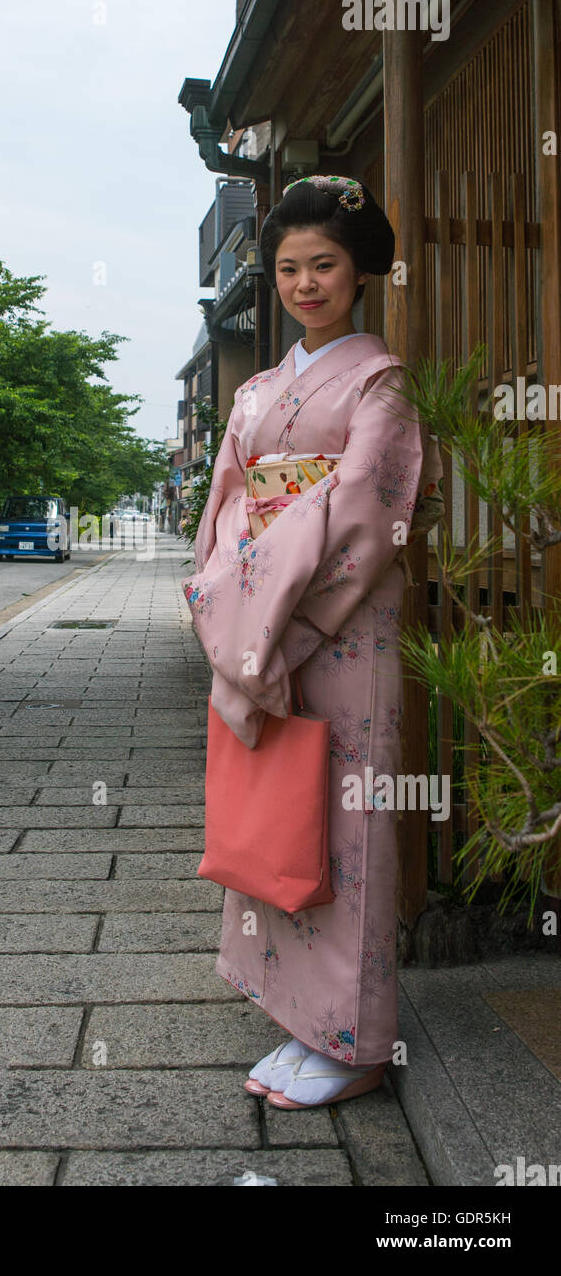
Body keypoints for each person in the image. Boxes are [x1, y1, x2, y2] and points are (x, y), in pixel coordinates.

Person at [183, 174, 435, 1110]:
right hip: (258, 624)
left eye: (323, 264)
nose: (303, 283)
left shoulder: (381, 383)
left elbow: (368, 510)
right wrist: (230, 609)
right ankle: (297, 1017)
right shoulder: (253, 392)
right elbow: (224, 511)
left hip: (339, 625)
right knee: (278, 810)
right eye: (287, 267)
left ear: (360, 271)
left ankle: (357, 1039)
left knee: (347, 823)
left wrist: (281, 624)